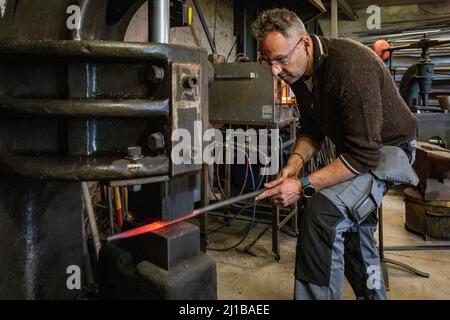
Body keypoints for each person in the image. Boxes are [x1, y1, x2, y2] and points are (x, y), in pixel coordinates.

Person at [253, 8, 418, 300]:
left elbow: (363, 156)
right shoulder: (301, 75)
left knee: (322, 216)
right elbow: (312, 129)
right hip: (360, 151)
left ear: (304, 43)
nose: (274, 71)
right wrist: (294, 165)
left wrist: (303, 185)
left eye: (280, 59)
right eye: (268, 61)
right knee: (356, 234)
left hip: (390, 150)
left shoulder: (350, 66)